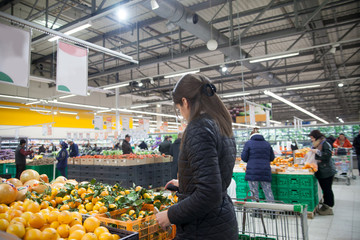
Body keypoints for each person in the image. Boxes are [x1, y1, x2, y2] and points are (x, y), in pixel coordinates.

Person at [157, 74, 238, 239]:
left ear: (185, 102)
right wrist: (185, 184)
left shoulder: (199, 128)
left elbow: (209, 193)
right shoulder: (221, 124)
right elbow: (215, 176)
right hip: (220, 222)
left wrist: (170, 215)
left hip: (203, 228)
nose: (182, 114)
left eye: (179, 109)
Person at [241, 128, 275, 201]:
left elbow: (244, 158)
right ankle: (272, 210)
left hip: (252, 171)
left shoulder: (248, 143)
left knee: (254, 193)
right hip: (265, 171)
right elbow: (272, 158)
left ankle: (256, 211)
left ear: (251, 135)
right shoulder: (267, 144)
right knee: (268, 191)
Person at [309, 130, 336, 215]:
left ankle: (329, 207)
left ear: (316, 137)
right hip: (322, 170)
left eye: (312, 138)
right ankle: (326, 205)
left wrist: (317, 152)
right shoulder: (319, 144)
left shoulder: (324, 143)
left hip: (326, 171)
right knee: (325, 189)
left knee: (327, 189)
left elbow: (327, 155)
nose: (312, 140)